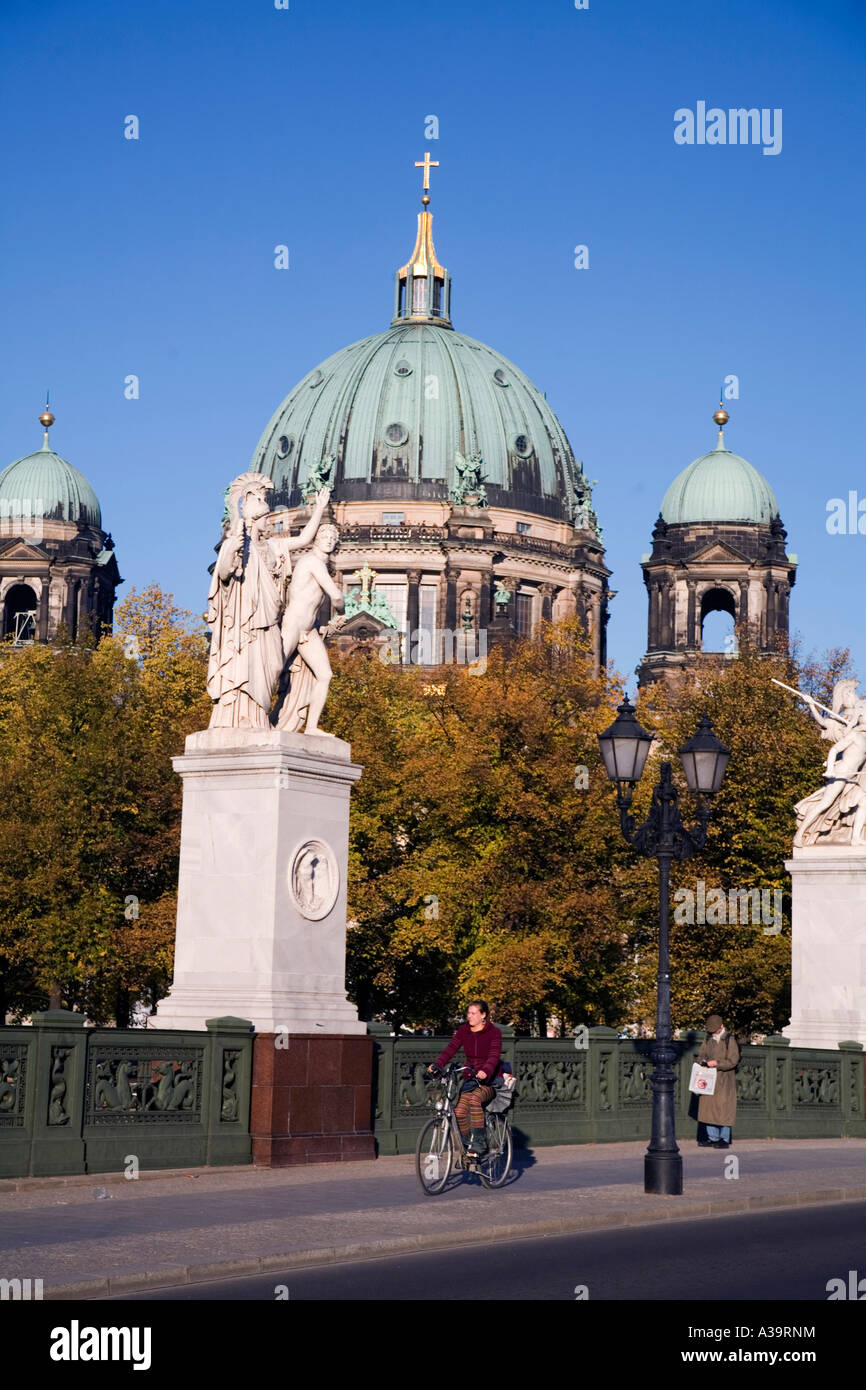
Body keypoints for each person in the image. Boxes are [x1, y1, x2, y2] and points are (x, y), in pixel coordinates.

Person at [428, 1001, 502, 1156]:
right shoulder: (464, 1031)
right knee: (459, 1112)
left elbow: (494, 1056)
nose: (470, 1016)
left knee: (475, 1100)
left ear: (483, 1015)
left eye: (474, 1013)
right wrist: (437, 1065)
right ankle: (468, 1143)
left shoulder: (494, 1032)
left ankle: (480, 1143)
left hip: (489, 1081)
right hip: (470, 1078)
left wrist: (485, 1071)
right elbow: (450, 1050)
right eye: (469, 1013)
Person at [696, 1013, 739, 1149]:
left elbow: (733, 1061)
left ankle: (724, 1138)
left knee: (724, 1108)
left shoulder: (729, 1040)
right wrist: (703, 1061)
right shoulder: (708, 1038)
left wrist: (717, 1063)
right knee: (708, 1108)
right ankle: (712, 1137)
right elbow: (701, 1054)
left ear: (721, 1026)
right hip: (709, 1078)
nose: (713, 1032)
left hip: (724, 1080)